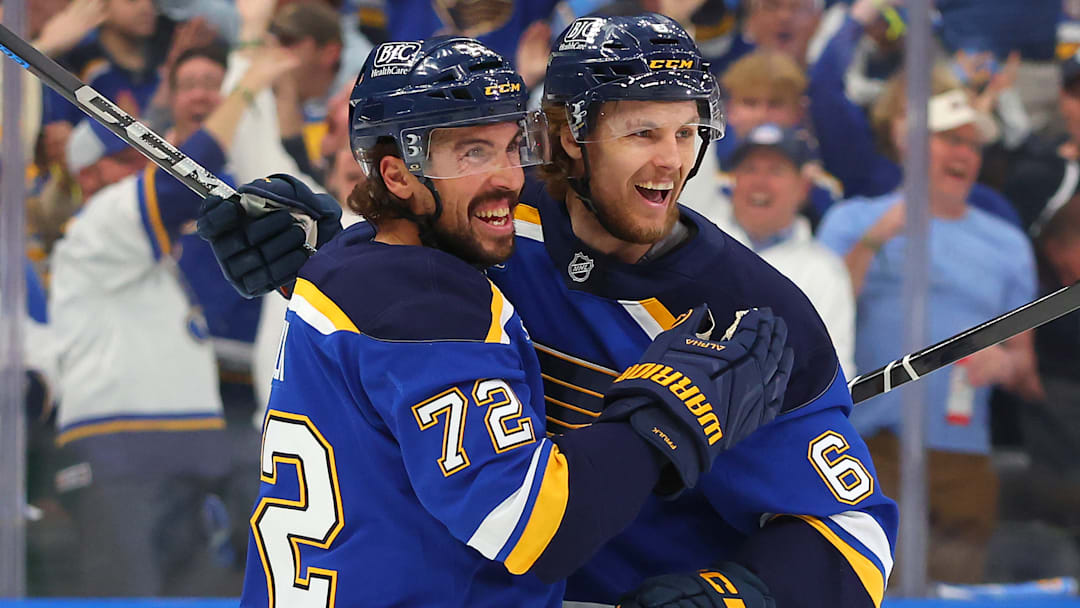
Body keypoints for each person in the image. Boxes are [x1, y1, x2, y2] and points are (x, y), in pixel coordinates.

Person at [199, 14, 898, 608]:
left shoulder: (751, 312)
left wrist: (743, 591)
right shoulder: (493, 225)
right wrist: (331, 254)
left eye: (686, 133)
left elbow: (856, 533)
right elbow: (396, 313)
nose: (672, 161)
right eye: (641, 133)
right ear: (568, 135)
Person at [47, 45, 294, 596]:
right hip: (123, 455)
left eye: (142, 157)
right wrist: (247, 88)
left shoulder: (143, 258)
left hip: (181, 454)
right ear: (87, 176)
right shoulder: (95, 232)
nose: (140, 166)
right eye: (123, 158)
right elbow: (181, 183)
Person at [817, 87, 1040, 585]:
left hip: (961, 451)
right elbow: (817, 319)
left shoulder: (1007, 243)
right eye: (949, 139)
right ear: (910, 146)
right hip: (867, 443)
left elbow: (1026, 369)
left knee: (959, 588)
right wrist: (878, 237)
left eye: (973, 145)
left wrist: (1004, 364)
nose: (964, 153)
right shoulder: (851, 220)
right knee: (868, 587)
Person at [712, 123, 856, 379]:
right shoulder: (699, 244)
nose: (760, 182)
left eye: (776, 171)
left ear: (803, 187)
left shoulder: (824, 271)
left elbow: (835, 371)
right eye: (749, 169)